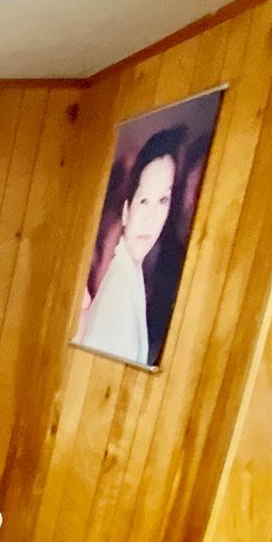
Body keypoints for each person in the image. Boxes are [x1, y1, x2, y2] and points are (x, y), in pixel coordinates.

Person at [77, 126, 184, 364]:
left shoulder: (132, 275)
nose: (151, 217)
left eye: (163, 200)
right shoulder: (119, 293)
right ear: (126, 210)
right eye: (144, 200)